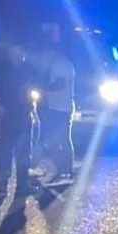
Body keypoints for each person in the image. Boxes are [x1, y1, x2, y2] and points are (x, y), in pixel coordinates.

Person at [0, 45, 38, 197]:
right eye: (14, 52)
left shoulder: (28, 69)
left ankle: (22, 185)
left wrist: (33, 108)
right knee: (6, 152)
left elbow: (34, 90)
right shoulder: (3, 69)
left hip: (24, 115)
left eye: (20, 52)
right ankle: (2, 188)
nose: (17, 55)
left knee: (24, 153)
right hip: (9, 116)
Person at [38, 32, 76, 182]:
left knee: (59, 140)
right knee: (60, 140)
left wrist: (42, 88)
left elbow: (59, 84)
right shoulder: (60, 62)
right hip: (58, 107)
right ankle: (64, 170)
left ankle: (65, 170)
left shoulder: (61, 63)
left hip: (61, 108)